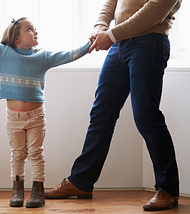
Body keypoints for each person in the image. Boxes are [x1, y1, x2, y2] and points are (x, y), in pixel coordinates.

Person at [44, 0, 181, 212]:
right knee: (101, 115)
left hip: (149, 42)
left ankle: (168, 188)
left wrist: (112, 34)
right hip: (120, 44)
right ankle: (81, 181)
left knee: (146, 116)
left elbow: (156, 9)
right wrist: (100, 25)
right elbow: (111, 2)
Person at [0, 16, 91, 208]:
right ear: (16, 38)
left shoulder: (43, 56)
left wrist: (91, 44)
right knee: (17, 154)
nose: (35, 32)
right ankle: (17, 190)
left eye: (35, 28)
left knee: (36, 153)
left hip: (36, 116)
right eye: (30, 29)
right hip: (13, 118)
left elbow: (70, 54)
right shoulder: (3, 52)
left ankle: (37, 191)